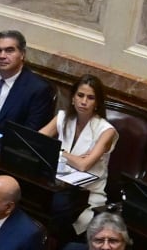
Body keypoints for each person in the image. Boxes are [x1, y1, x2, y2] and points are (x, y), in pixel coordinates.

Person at [44, 74, 117, 223]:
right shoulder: (62, 118)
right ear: (73, 98)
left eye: (90, 98)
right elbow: (35, 142)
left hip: (87, 194)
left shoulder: (106, 130)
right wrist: (69, 156)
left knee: (54, 207)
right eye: (80, 95)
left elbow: (83, 165)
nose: (84, 102)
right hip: (57, 185)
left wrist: (57, 152)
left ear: (97, 103)